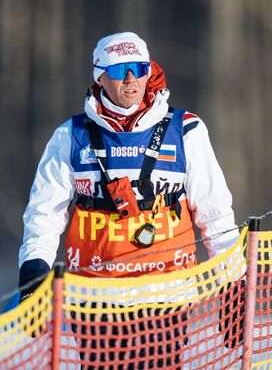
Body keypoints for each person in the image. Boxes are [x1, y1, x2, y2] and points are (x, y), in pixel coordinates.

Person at [18, 32, 243, 367]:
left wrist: (233, 284)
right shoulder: (70, 136)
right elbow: (43, 214)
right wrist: (34, 272)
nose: (131, 78)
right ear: (100, 76)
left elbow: (216, 215)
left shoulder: (187, 130)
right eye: (120, 69)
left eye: (138, 67)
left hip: (165, 292)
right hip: (95, 297)